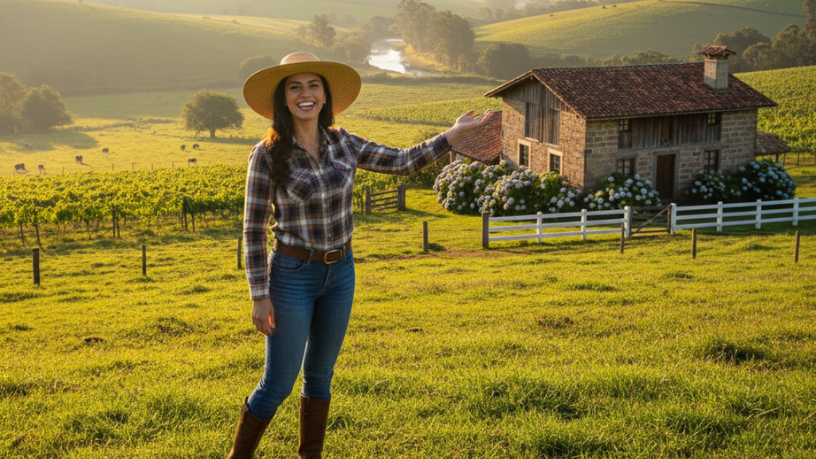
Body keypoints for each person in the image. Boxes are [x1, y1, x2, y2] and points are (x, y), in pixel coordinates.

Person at [229, 51, 493, 459]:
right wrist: (259, 294)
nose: (305, 94)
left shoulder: (344, 142)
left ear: (325, 95)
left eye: (313, 85)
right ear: (283, 98)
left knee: (320, 377)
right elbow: (252, 229)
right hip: (291, 275)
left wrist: (452, 134)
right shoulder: (267, 154)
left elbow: (401, 162)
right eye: (294, 87)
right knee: (278, 384)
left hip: (341, 273)